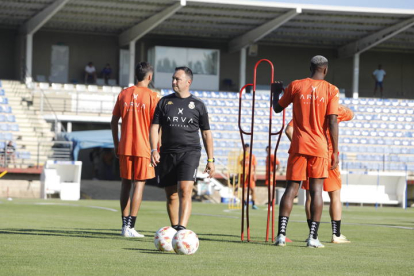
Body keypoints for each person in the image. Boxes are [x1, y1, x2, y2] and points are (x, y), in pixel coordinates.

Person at [272, 55, 339, 248]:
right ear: (325, 70)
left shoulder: (296, 85)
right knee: (316, 191)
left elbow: (277, 108)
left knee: (291, 189)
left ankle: (281, 235)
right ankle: (312, 237)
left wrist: (275, 93)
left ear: (310, 67)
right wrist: (335, 151)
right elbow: (333, 121)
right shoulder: (331, 90)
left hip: (299, 145)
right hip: (319, 147)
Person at [150, 66, 215, 232]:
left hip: (190, 152)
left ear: (188, 82)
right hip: (167, 153)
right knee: (171, 194)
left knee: (185, 190)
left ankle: (181, 230)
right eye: (173, 78)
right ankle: (174, 229)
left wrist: (210, 160)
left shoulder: (199, 105)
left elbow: (206, 134)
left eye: (177, 79)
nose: (173, 82)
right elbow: (154, 127)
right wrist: (153, 149)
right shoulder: (164, 102)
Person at [285, 104, 354, 244]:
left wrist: (301, 146)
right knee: (335, 195)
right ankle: (336, 234)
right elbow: (351, 114)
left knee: (311, 195)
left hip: (311, 154)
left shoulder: (308, 110)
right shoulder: (335, 109)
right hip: (328, 155)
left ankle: (312, 233)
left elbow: (288, 130)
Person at [111, 61, 159, 238]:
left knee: (125, 184)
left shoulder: (123, 94)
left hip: (125, 146)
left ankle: (124, 226)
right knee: (139, 184)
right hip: (144, 147)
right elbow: (156, 126)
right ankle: (131, 226)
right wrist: (156, 148)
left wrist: (116, 143)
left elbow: (114, 121)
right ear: (149, 77)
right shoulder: (153, 97)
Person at [238, 143, 258, 210]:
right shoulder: (241, 156)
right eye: (245, 148)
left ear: (249, 148)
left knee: (253, 189)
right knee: (245, 189)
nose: (246, 149)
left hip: (251, 175)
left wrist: (255, 174)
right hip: (243, 175)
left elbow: (254, 166)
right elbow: (239, 165)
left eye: (247, 148)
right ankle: (245, 203)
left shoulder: (252, 156)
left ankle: (254, 204)